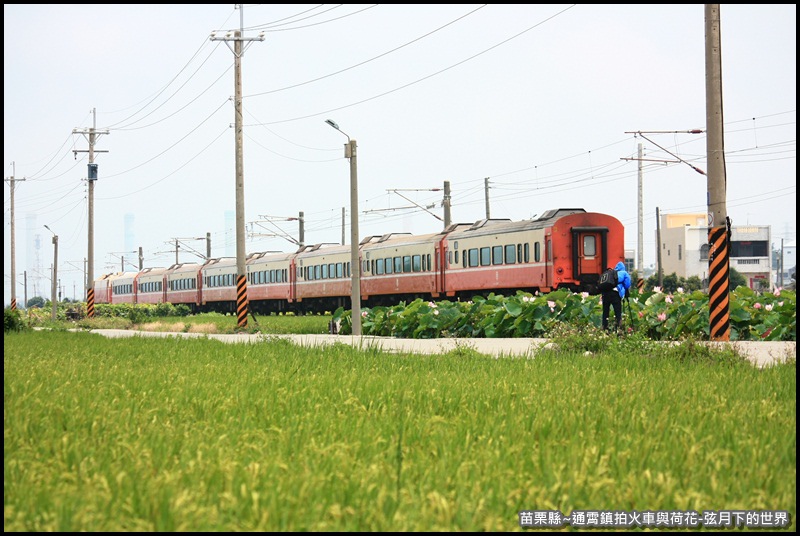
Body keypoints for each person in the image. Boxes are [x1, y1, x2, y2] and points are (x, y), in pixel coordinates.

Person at [602, 261, 632, 332]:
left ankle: (604, 328)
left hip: (605, 294)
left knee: (605, 312)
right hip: (615, 294)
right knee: (618, 312)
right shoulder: (624, 273)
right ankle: (619, 329)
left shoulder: (610, 273)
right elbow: (627, 285)